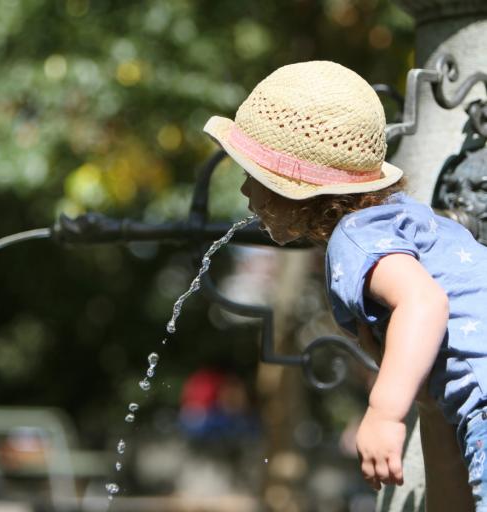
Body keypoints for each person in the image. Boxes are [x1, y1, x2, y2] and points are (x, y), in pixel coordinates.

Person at [202, 60, 482, 510]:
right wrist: (422, 402)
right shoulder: (409, 225)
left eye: (253, 175)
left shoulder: (356, 237)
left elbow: (424, 302)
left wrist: (384, 412)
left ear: (294, 187)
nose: (243, 192)